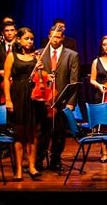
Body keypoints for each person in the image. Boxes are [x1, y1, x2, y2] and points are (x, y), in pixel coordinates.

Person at [35, 25, 80, 172]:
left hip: (61, 100)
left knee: (59, 133)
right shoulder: (39, 54)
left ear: (63, 38)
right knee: (42, 132)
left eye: (58, 37)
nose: (55, 40)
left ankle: (56, 161)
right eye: (53, 37)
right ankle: (38, 161)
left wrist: (71, 103)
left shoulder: (72, 55)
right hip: (43, 100)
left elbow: (74, 81)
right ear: (49, 37)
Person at [3, 27, 44, 181]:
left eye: (31, 39)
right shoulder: (12, 56)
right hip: (18, 95)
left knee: (33, 134)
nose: (30, 41)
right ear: (19, 40)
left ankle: (32, 166)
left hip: (33, 96)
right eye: (26, 38)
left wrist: (41, 69)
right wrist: (8, 99)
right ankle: (19, 169)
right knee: (19, 134)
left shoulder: (36, 57)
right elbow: (6, 79)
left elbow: (42, 78)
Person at [90, 35, 107, 163]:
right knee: (102, 125)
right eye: (104, 44)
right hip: (101, 95)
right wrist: (99, 86)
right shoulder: (96, 61)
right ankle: (104, 153)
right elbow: (92, 80)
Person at [0, 20, 17, 103]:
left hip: (17, 85)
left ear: (16, 32)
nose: (9, 33)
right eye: (6, 30)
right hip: (1, 86)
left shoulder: (21, 48)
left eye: (12, 30)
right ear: (2, 33)